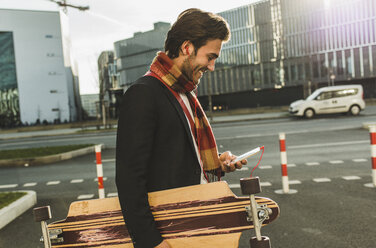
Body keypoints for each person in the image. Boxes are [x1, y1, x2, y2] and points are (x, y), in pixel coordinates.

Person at [116, 8, 247, 248]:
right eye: (210, 56)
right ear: (187, 48)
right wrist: (151, 242)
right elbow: (129, 180)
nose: (212, 67)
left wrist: (216, 163)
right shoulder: (144, 93)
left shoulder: (184, 92)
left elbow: (173, 157)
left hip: (197, 225)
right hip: (170, 234)